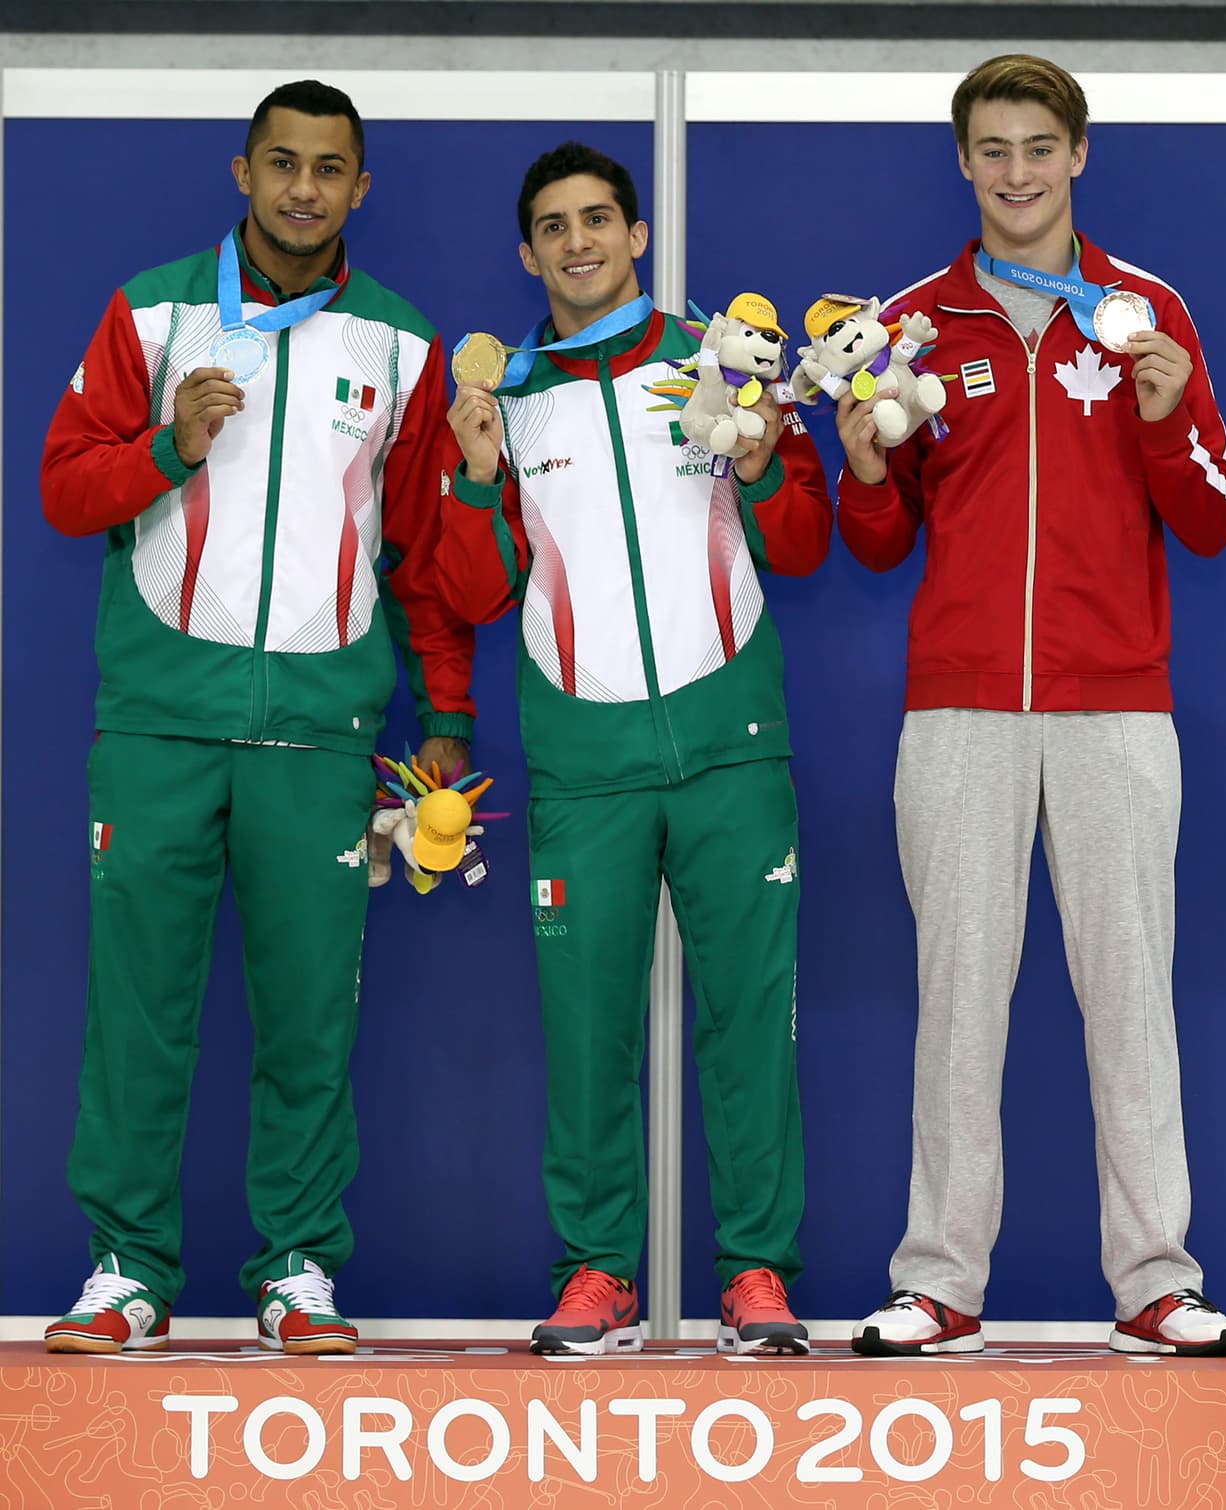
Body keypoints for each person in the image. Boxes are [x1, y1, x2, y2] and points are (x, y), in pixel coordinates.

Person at [41, 79, 474, 1355]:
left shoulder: (398, 342)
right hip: (162, 729)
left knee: (307, 1020)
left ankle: (295, 1265)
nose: (302, 190)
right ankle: (125, 1267)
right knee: (138, 1016)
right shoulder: (154, 307)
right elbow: (68, 487)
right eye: (280, 164)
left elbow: (420, 547)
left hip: (321, 737)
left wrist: (442, 704)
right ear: (241, 173)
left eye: (328, 169)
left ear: (359, 188)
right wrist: (167, 448)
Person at [837, 55, 1226, 1357]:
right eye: (992, 149)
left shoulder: (1145, 312)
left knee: (1132, 995)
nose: (1016, 173)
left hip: (1118, 707)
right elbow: (879, 540)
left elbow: (1216, 515)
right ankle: (940, 1275)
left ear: (1079, 156)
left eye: (1038, 147)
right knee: (959, 996)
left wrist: (1169, 421)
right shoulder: (910, 328)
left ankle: (1157, 1278)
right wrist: (861, 471)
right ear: (963, 162)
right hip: (957, 712)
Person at [438, 142, 831, 1355]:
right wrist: (471, 470)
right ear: (525, 252)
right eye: (551, 226)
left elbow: (807, 542)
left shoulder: (718, 362)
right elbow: (469, 589)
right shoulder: (507, 395)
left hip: (729, 748)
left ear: (638, 234)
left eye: (597, 219)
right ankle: (597, 1271)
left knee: (749, 1022)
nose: (576, 243)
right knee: (587, 1030)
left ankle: (756, 1273)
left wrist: (763, 470)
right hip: (584, 764)